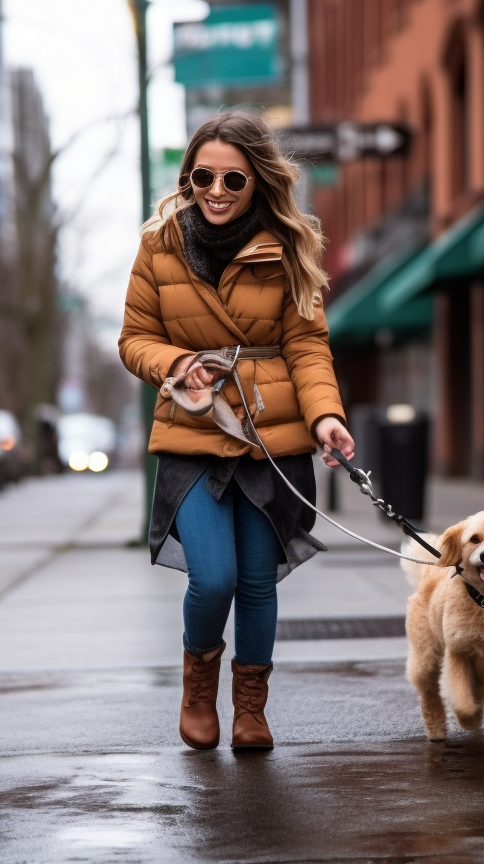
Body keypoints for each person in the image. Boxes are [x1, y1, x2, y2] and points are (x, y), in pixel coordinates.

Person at [118, 111, 355, 752]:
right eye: (203, 176)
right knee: (213, 577)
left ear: (258, 182)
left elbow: (307, 346)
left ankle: (250, 708)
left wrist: (325, 416)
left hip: (268, 436)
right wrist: (175, 363)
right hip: (192, 433)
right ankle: (198, 688)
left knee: (255, 580)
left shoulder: (289, 246)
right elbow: (135, 339)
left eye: (233, 179)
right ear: (188, 177)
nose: (216, 191)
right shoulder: (160, 243)